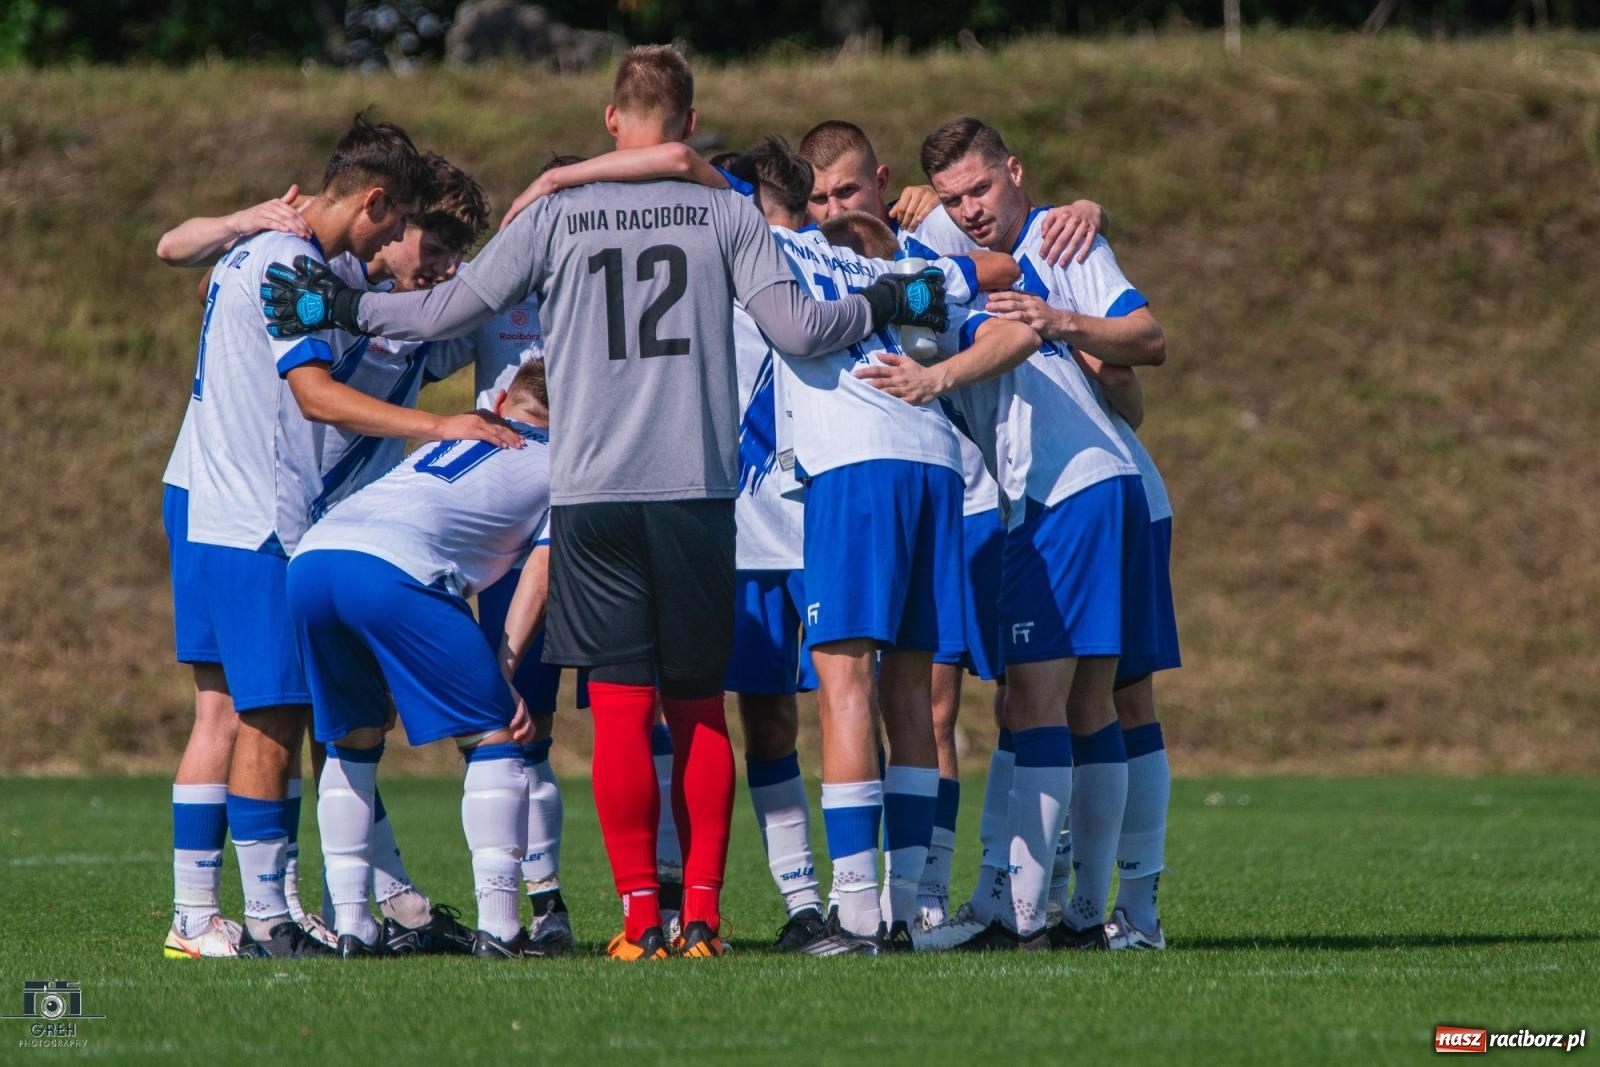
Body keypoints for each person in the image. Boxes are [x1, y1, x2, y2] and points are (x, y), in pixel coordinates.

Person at [260, 45, 950, 960]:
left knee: (622, 710)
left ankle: (636, 922)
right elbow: (798, 327)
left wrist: (344, 312)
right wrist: (888, 296)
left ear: (611, 119)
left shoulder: (555, 213)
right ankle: (700, 917)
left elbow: (447, 309)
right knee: (697, 708)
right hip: (694, 492)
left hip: (590, 495)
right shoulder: (724, 209)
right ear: (690, 123)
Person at [178, 112, 521, 960]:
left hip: (239, 507)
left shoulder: (292, 259)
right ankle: (263, 915)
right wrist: (441, 424)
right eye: (405, 229)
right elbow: (314, 394)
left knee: (284, 711)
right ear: (377, 207)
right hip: (257, 515)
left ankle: (301, 904)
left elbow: (192, 264)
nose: (411, 250)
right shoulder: (295, 263)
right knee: (273, 714)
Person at [705, 138, 1039, 955]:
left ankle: (854, 910)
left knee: (845, 685)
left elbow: (691, 182)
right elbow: (1007, 292)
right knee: (910, 691)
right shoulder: (900, 263)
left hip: (855, 468)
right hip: (935, 464)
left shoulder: (775, 249)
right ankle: (910, 906)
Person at [864, 116, 1167, 950]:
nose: (969, 210)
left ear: (1016, 172)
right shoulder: (935, 244)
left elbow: (1138, 344)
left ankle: (1030, 916)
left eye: (981, 188)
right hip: (1073, 489)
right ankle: (1073, 912)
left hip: (1074, 488)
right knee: (1075, 703)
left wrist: (945, 372)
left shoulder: (1056, 242)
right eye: (952, 198)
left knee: (1059, 701)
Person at [798, 121, 1106, 925]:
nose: (833, 207)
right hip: (905, 482)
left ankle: (920, 895)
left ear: (881, 183)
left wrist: (1082, 208)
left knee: (945, 703)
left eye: (847, 190)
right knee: (921, 697)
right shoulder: (801, 252)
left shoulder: (920, 240)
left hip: (957, 491)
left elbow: (1009, 263)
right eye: (818, 196)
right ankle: (917, 893)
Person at [288, 360, 552, 958]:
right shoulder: (568, 463)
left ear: (502, 401)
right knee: (494, 734)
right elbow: (541, 569)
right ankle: (502, 930)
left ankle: (353, 927)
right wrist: (503, 672)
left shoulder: (454, 435)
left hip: (313, 559)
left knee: (352, 740)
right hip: (396, 567)